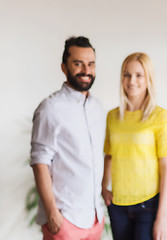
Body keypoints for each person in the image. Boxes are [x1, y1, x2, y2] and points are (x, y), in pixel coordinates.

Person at [30, 36, 105, 240]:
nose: (86, 70)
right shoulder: (50, 109)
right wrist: (52, 213)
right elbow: (39, 163)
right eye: (78, 64)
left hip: (94, 218)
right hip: (65, 219)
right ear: (64, 67)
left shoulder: (98, 109)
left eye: (91, 64)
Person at [101, 52, 167, 240]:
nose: (131, 81)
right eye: (127, 75)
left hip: (149, 205)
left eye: (138, 75)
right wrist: (103, 186)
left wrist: (162, 218)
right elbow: (109, 155)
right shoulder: (112, 116)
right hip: (117, 205)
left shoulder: (161, 117)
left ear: (148, 78)